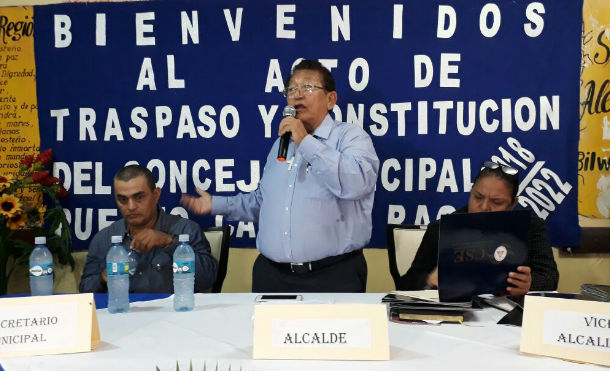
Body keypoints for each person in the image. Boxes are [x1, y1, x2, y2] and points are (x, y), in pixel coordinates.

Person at [181, 59, 379, 293]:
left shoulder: (351, 138)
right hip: (272, 276)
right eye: (292, 89)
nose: (297, 96)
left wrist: (305, 142)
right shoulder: (281, 145)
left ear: (330, 99)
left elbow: (356, 183)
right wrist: (216, 204)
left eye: (307, 88)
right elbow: (264, 202)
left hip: (332, 276)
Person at [396, 161, 559, 296]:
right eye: (478, 197)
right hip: (456, 315)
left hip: (510, 313)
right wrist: (429, 279)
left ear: (513, 204)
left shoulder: (531, 226)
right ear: (471, 192)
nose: (484, 207)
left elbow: (550, 277)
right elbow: (406, 284)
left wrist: (530, 284)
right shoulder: (441, 229)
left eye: (496, 202)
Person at [80, 165, 218, 293]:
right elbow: (85, 291)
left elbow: (208, 279)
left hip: (174, 314)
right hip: (124, 314)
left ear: (156, 194)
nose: (131, 206)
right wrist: (104, 278)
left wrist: (170, 243)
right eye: (122, 199)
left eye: (139, 197)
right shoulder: (104, 239)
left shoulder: (186, 230)